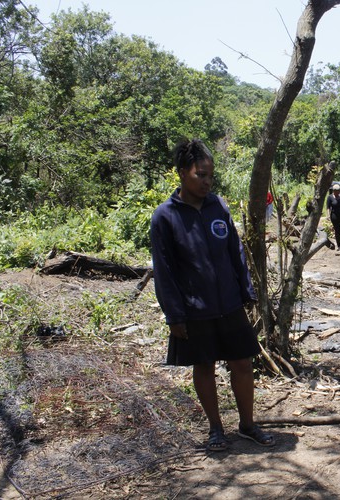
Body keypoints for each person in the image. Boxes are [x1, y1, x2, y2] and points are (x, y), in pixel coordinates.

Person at [150, 138, 275, 452]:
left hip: (229, 303)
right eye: (200, 175)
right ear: (181, 173)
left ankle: (247, 424)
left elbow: (235, 252)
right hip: (195, 308)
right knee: (204, 366)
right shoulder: (165, 217)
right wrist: (174, 315)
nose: (206, 181)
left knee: (243, 363)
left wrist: (246, 292)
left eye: (209, 176)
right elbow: (164, 270)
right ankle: (216, 430)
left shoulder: (218, 206)